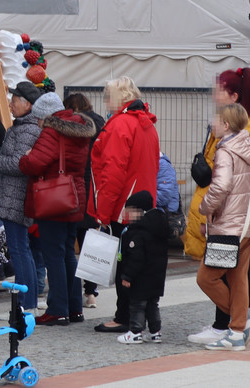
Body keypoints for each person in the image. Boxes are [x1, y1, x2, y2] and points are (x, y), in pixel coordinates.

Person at [185, 68, 250, 346]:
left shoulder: (226, 150)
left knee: (206, 277)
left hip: (229, 225)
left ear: (227, 125)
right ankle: (239, 329)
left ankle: (237, 322)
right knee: (238, 276)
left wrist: (205, 209)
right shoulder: (248, 147)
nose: (212, 124)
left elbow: (220, 187)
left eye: (216, 121)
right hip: (247, 223)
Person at [89, 76, 160, 334]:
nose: (105, 101)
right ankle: (137, 315)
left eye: (108, 95)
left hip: (123, 206)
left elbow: (112, 173)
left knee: (125, 265)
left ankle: (124, 316)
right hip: (143, 203)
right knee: (137, 262)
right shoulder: (146, 124)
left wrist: (103, 214)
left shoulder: (120, 125)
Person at [19, 92, 95, 326]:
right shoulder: (78, 129)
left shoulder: (52, 132)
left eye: (39, 118)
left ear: (47, 116)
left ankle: (58, 309)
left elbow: (34, 163)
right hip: (74, 198)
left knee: (53, 256)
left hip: (54, 200)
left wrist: (25, 156)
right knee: (67, 254)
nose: (39, 123)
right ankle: (74, 308)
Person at [0, 81, 46, 316]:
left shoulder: (27, 129)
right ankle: (27, 303)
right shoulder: (23, 127)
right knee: (22, 250)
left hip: (15, 197)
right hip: (14, 197)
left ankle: (23, 305)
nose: (10, 105)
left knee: (19, 251)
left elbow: (20, 164)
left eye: (14, 101)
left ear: (27, 104)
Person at [64, 92, 105, 309]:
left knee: (69, 244)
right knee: (91, 244)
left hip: (74, 188)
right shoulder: (101, 124)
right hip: (95, 190)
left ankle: (72, 290)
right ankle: (91, 293)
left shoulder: (72, 126)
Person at [116, 191, 168, 344]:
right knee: (153, 304)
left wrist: (127, 276)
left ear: (140, 212)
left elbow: (136, 258)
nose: (127, 215)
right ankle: (155, 332)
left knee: (137, 305)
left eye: (130, 212)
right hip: (156, 277)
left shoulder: (138, 233)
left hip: (141, 278)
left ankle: (136, 332)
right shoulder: (158, 228)